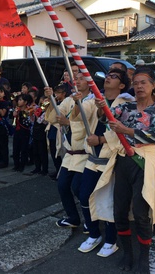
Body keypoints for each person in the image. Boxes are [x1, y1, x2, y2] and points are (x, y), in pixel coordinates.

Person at [90, 67, 155, 273]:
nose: (139, 86)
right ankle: (127, 253)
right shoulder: (125, 107)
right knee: (119, 210)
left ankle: (144, 259)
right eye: (136, 83)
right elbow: (107, 120)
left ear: (153, 85)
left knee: (141, 213)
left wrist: (126, 130)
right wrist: (103, 108)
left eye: (143, 82)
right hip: (122, 161)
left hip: (144, 161)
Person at [72, 68, 132, 257]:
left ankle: (111, 240)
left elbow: (123, 132)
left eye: (114, 77)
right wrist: (77, 101)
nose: (108, 78)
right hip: (93, 159)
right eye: (107, 75)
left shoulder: (127, 103)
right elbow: (79, 116)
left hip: (111, 159)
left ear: (122, 85)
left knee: (108, 201)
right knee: (84, 196)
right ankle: (94, 233)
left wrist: (100, 140)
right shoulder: (94, 100)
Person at [44, 72, 93, 229]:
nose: (77, 81)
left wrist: (69, 123)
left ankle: (91, 219)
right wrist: (51, 99)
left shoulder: (93, 101)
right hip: (71, 152)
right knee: (62, 185)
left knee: (79, 189)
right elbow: (53, 118)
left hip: (85, 153)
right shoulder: (69, 100)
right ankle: (73, 217)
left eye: (81, 78)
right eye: (75, 79)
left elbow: (89, 126)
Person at [11, 93, 33, 172]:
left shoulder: (29, 110)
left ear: (25, 102)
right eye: (18, 100)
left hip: (25, 131)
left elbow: (29, 122)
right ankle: (16, 164)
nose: (19, 102)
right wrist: (14, 114)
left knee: (24, 149)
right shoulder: (17, 109)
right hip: (17, 131)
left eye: (20, 100)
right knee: (15, 149)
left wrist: (22, 114)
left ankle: (22, 165)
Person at [30, 95, 49, 175]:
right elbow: (32, 121)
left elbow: (41, 121)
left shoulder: (46, 112)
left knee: (42, 152)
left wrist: (36, 112)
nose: (41, 104)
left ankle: (44, 169)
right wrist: (31, 113)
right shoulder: (38, 109)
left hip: (42, 133)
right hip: (35, 132)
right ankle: (37, 167)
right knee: (35, 151)